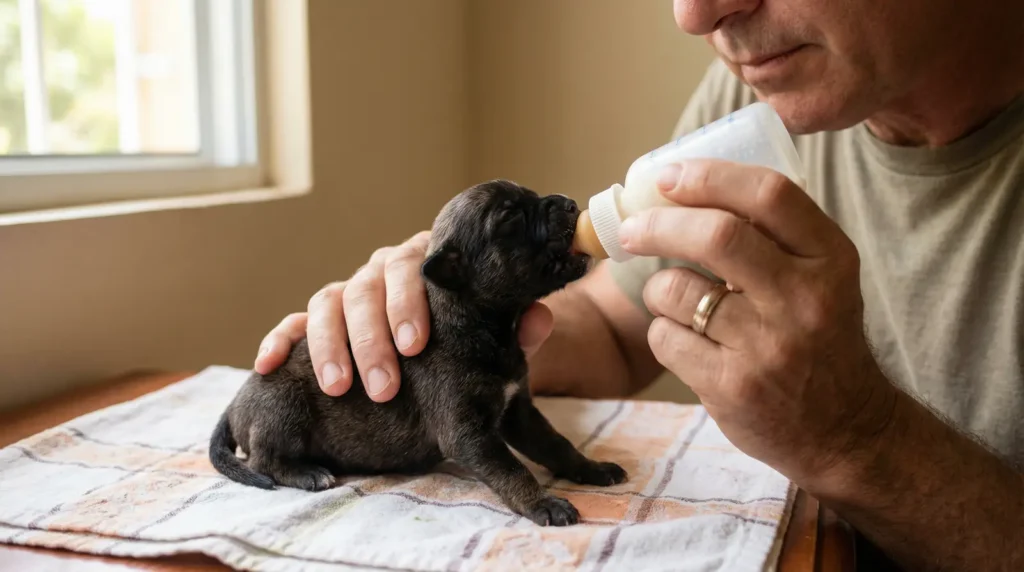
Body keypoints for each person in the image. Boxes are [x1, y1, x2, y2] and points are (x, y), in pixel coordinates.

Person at [254, 1, 1024, 570]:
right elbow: (614, 326)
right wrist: (445, 334)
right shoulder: (772, 93)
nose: (696, 13)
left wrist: (863, 439)